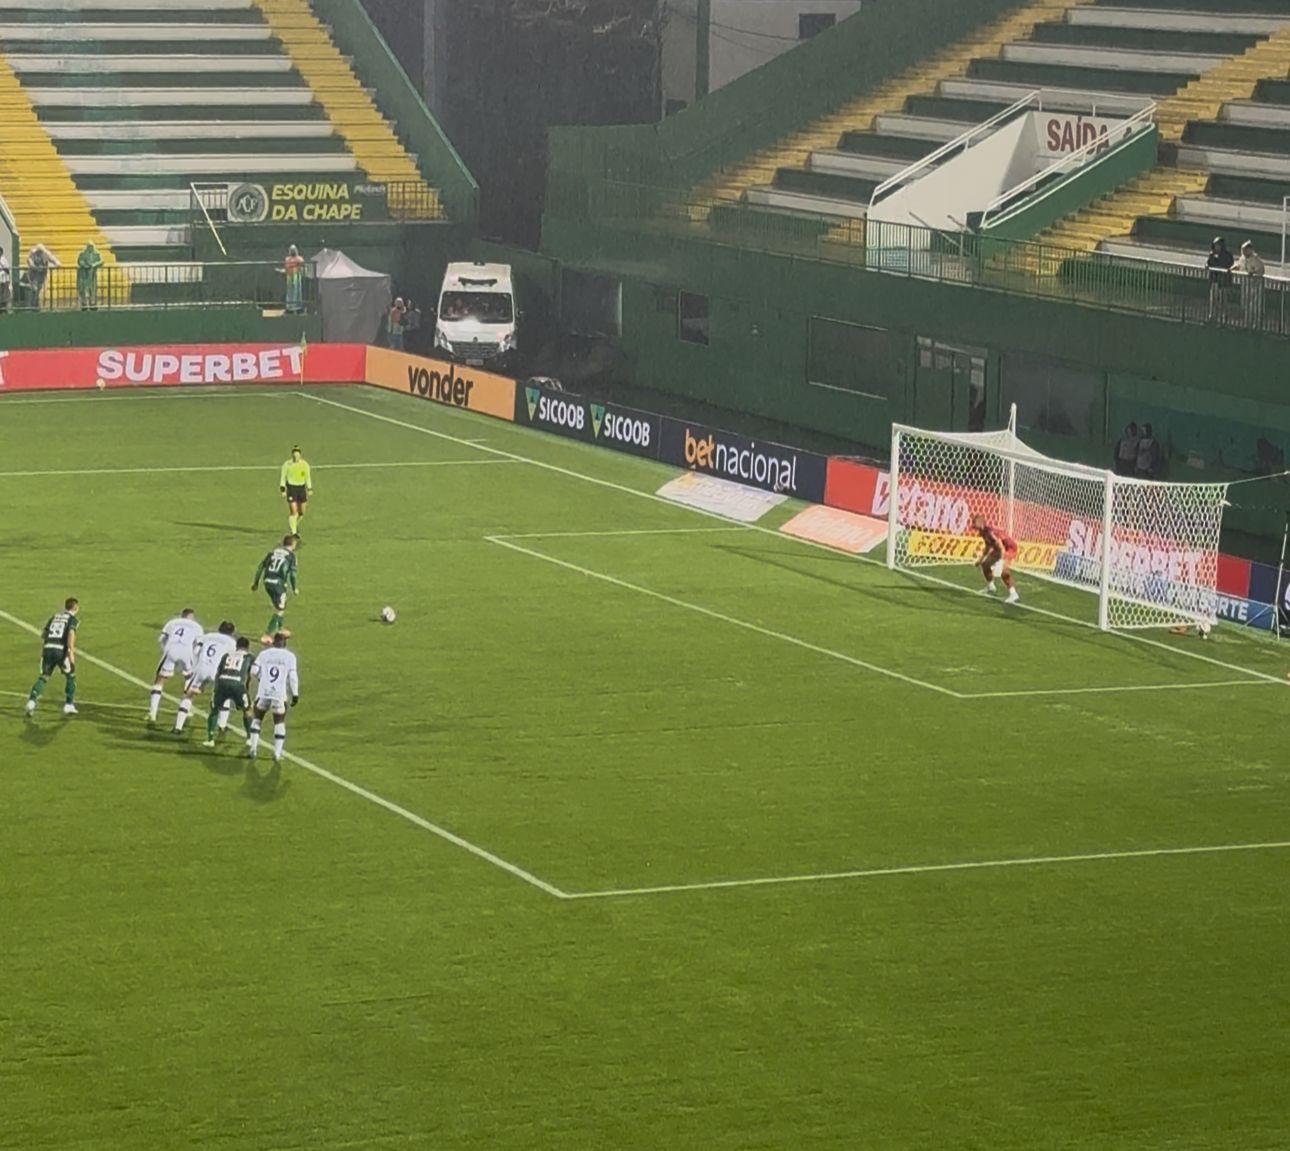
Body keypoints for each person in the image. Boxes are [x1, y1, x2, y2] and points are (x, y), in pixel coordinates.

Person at [173, 619, 237, 735]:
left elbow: (195, 651)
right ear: (232, 632)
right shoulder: (231, 642)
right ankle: (222, 726)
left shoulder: (207, 636)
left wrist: (192, 667)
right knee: (225, 697)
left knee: (189, 695)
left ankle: (178, 727)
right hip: (217, 671)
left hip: (201, 669)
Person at [247, 631, 299, 764]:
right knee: (279, 722)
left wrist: (262, 679)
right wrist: (295, 694)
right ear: (285, 643)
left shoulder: (264, 654)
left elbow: (253, 671)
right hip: (279, 694)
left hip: (263, 692)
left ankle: (253, 748)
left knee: (257, 718)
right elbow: (292, 677)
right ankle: (277, 753)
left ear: (273, 642)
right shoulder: (290, 656)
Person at [25, 597, 80, 717]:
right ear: (76, 607)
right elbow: (70, 636)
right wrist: (70, 653)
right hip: (60, 651)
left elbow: (44, 634)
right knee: (71, 675)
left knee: (44, 676)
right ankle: (69, 704)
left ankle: (31, 701)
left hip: (47, 649)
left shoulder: (54, 617)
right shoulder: (72, 620)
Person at [147, 608, 203, 723]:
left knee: (160, 680)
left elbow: (161, 639)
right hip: (187, 652)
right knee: (189, 680)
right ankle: (186, 709)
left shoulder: (172, 622)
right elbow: (199, 645)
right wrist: (194, 655)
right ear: (192, 617)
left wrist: (165, 650)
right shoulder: (197, 627)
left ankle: (152, 714)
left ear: (182, 615)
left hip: (171, 650)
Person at [203, 636, 256, 748]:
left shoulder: (226, 655)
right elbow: (250, 676)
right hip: (237, 684)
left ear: (236, 646)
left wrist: (216, 687)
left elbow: (218, 671)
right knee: (247, 710)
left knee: (214, 710)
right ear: (247, 647)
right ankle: (249, 739)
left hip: (222, 682)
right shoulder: (249, 657)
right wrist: (246, 691)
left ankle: (210, 739)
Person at [251, 534, 299, 644]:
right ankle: (267, 635)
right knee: (280, 609)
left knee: (279, 606)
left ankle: (279, 629)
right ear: (293, 545)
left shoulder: (272, 552)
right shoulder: (291, 556)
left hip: (267, 582)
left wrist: (256, 583)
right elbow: (293, 574)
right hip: (278, 583)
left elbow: (261, 567)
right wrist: (294, 587)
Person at [972, 514, 1020, 604]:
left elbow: (1001, 546)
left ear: (980, 523)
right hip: (999, 549)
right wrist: (981, 559)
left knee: (1003, 571)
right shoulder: (983, 533)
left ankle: (1013, 594)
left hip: (1009, 548)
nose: (973, 526)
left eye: (974, 523)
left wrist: (1001, 561)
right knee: (985, 565)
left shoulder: (990, 532)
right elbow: (988, 546)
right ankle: (991, 587)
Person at [279, 445, 312, 536]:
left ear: (300, 455)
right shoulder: (287, 464)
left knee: (301, 512)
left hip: (301, 488)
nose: (296, 457)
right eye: (294, 455)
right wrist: (282, 489)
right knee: (293, 512)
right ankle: (294, 532)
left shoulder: (305, 465)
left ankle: (293, 525)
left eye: (297, 455)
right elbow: (283, 477)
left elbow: (307, 477)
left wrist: (309, 488)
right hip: (291, 488)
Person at [1236, 240, 1266, 329]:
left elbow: (1261, 271)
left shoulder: (1256, 260)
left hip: (1255, 287)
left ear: (1250, 250)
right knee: (1245, 306)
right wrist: (1230, 269)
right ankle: (1247, 324)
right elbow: (1238, 265)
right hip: (1245, 286)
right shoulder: (1242, 259)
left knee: (1255, 307)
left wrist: (1253, 273)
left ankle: (1256, 325)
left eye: (1245, 250)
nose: (1243, 252)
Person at [1206, 236, 1234, 322]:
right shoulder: (1212, 254)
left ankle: (1224, 317)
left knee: (1223, 301)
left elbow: (1228, 265)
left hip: (1224, 282)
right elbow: (1208, 263)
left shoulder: (1227, 255)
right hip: (1214, 281)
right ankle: (1212, 316)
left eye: (1218, 245)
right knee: (1213, 300)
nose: (1216, 247)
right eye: (1215, 245)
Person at [26, 243, 59, 310]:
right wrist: (36, 267)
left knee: (38, 290)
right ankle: (33, 306)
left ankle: (36, 306)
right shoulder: (32, 253)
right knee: (34, 290)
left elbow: (57, 263)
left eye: (40, 252)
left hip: (41, 276)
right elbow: (30, 262)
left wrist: (52, 266)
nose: (38, 254)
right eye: (37, 252)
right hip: (33, 275)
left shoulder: (46, 254)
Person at [76, 240, 103, 311]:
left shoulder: (96, 253)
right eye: (89, 246)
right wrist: (84, 265)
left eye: (91, 246)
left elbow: (101, 261)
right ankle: (84, 303)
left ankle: (92, 303)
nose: (90, 248)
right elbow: (79, 261)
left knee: (93, 289)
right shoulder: (82, 253)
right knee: (82, 289)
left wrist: (94, 265)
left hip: (92, 275)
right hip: (83, 274)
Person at [281, 244, 305, 314]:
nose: (292, 251)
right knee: (290, 292)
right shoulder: (287, 259)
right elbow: (286, 267)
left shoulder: (300, 258)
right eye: (291, 250)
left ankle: (298, 307)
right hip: (289, 277)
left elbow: (302, 266)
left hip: (296, 276)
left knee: (297, 292)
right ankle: (289, 307)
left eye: (293, 250)